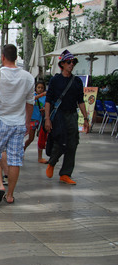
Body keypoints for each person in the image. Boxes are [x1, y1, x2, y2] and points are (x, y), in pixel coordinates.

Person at [0, 44, 34, 204]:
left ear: (3, 57)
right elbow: (30, 102)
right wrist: (27, 122)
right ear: (16, 57)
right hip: (19, 124)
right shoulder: (28, 77)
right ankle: (10, 195)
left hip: (1, 123)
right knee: (15, 160)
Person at [44, 50, 89, 185]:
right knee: (60, 141)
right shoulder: (55, 80)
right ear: (62, 64)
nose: (71, 65)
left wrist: (86, 119)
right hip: (58, 115)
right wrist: (47, 118)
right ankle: (52, 163)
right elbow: (48, 100)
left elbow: (80, 101)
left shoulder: (76, 81)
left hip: (72, 115)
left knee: (72, 144)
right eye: (69, 62)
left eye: (73, 62)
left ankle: (65, 173)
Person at [24, 80, 47, 163]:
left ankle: (40, 157)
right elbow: (31, 100)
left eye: (42, 88)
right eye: (38, 87)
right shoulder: (33, 95)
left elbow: (47, 105)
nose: (40, 89)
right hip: (32, 119)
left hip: (41, 119)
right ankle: (23, 149)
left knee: (41, 138)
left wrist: (45, 109)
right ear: (35, 88)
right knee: (30, 138)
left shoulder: (45, 97)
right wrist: (41, 95)